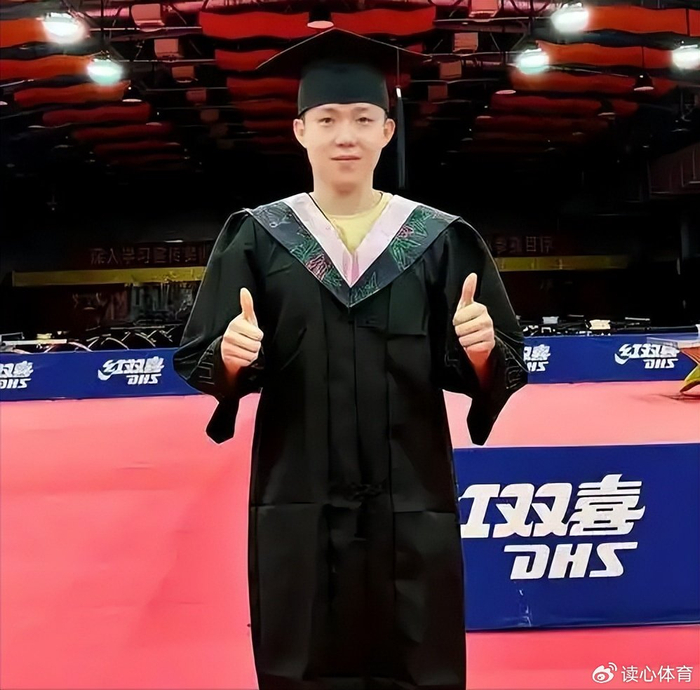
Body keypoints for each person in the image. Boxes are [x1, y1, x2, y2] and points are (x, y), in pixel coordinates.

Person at [174, 28, 527, 690]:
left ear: (387, 132)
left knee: (416, 645)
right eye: (329, 119)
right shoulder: (257, 237)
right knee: (302, 640)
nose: (346, 135)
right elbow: (204, 359)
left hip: (410, 486)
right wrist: (230, 357)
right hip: (298, 485)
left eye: (364, 119)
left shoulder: (439, 239)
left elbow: (499, 363)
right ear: (301, 131)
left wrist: (481, 353)